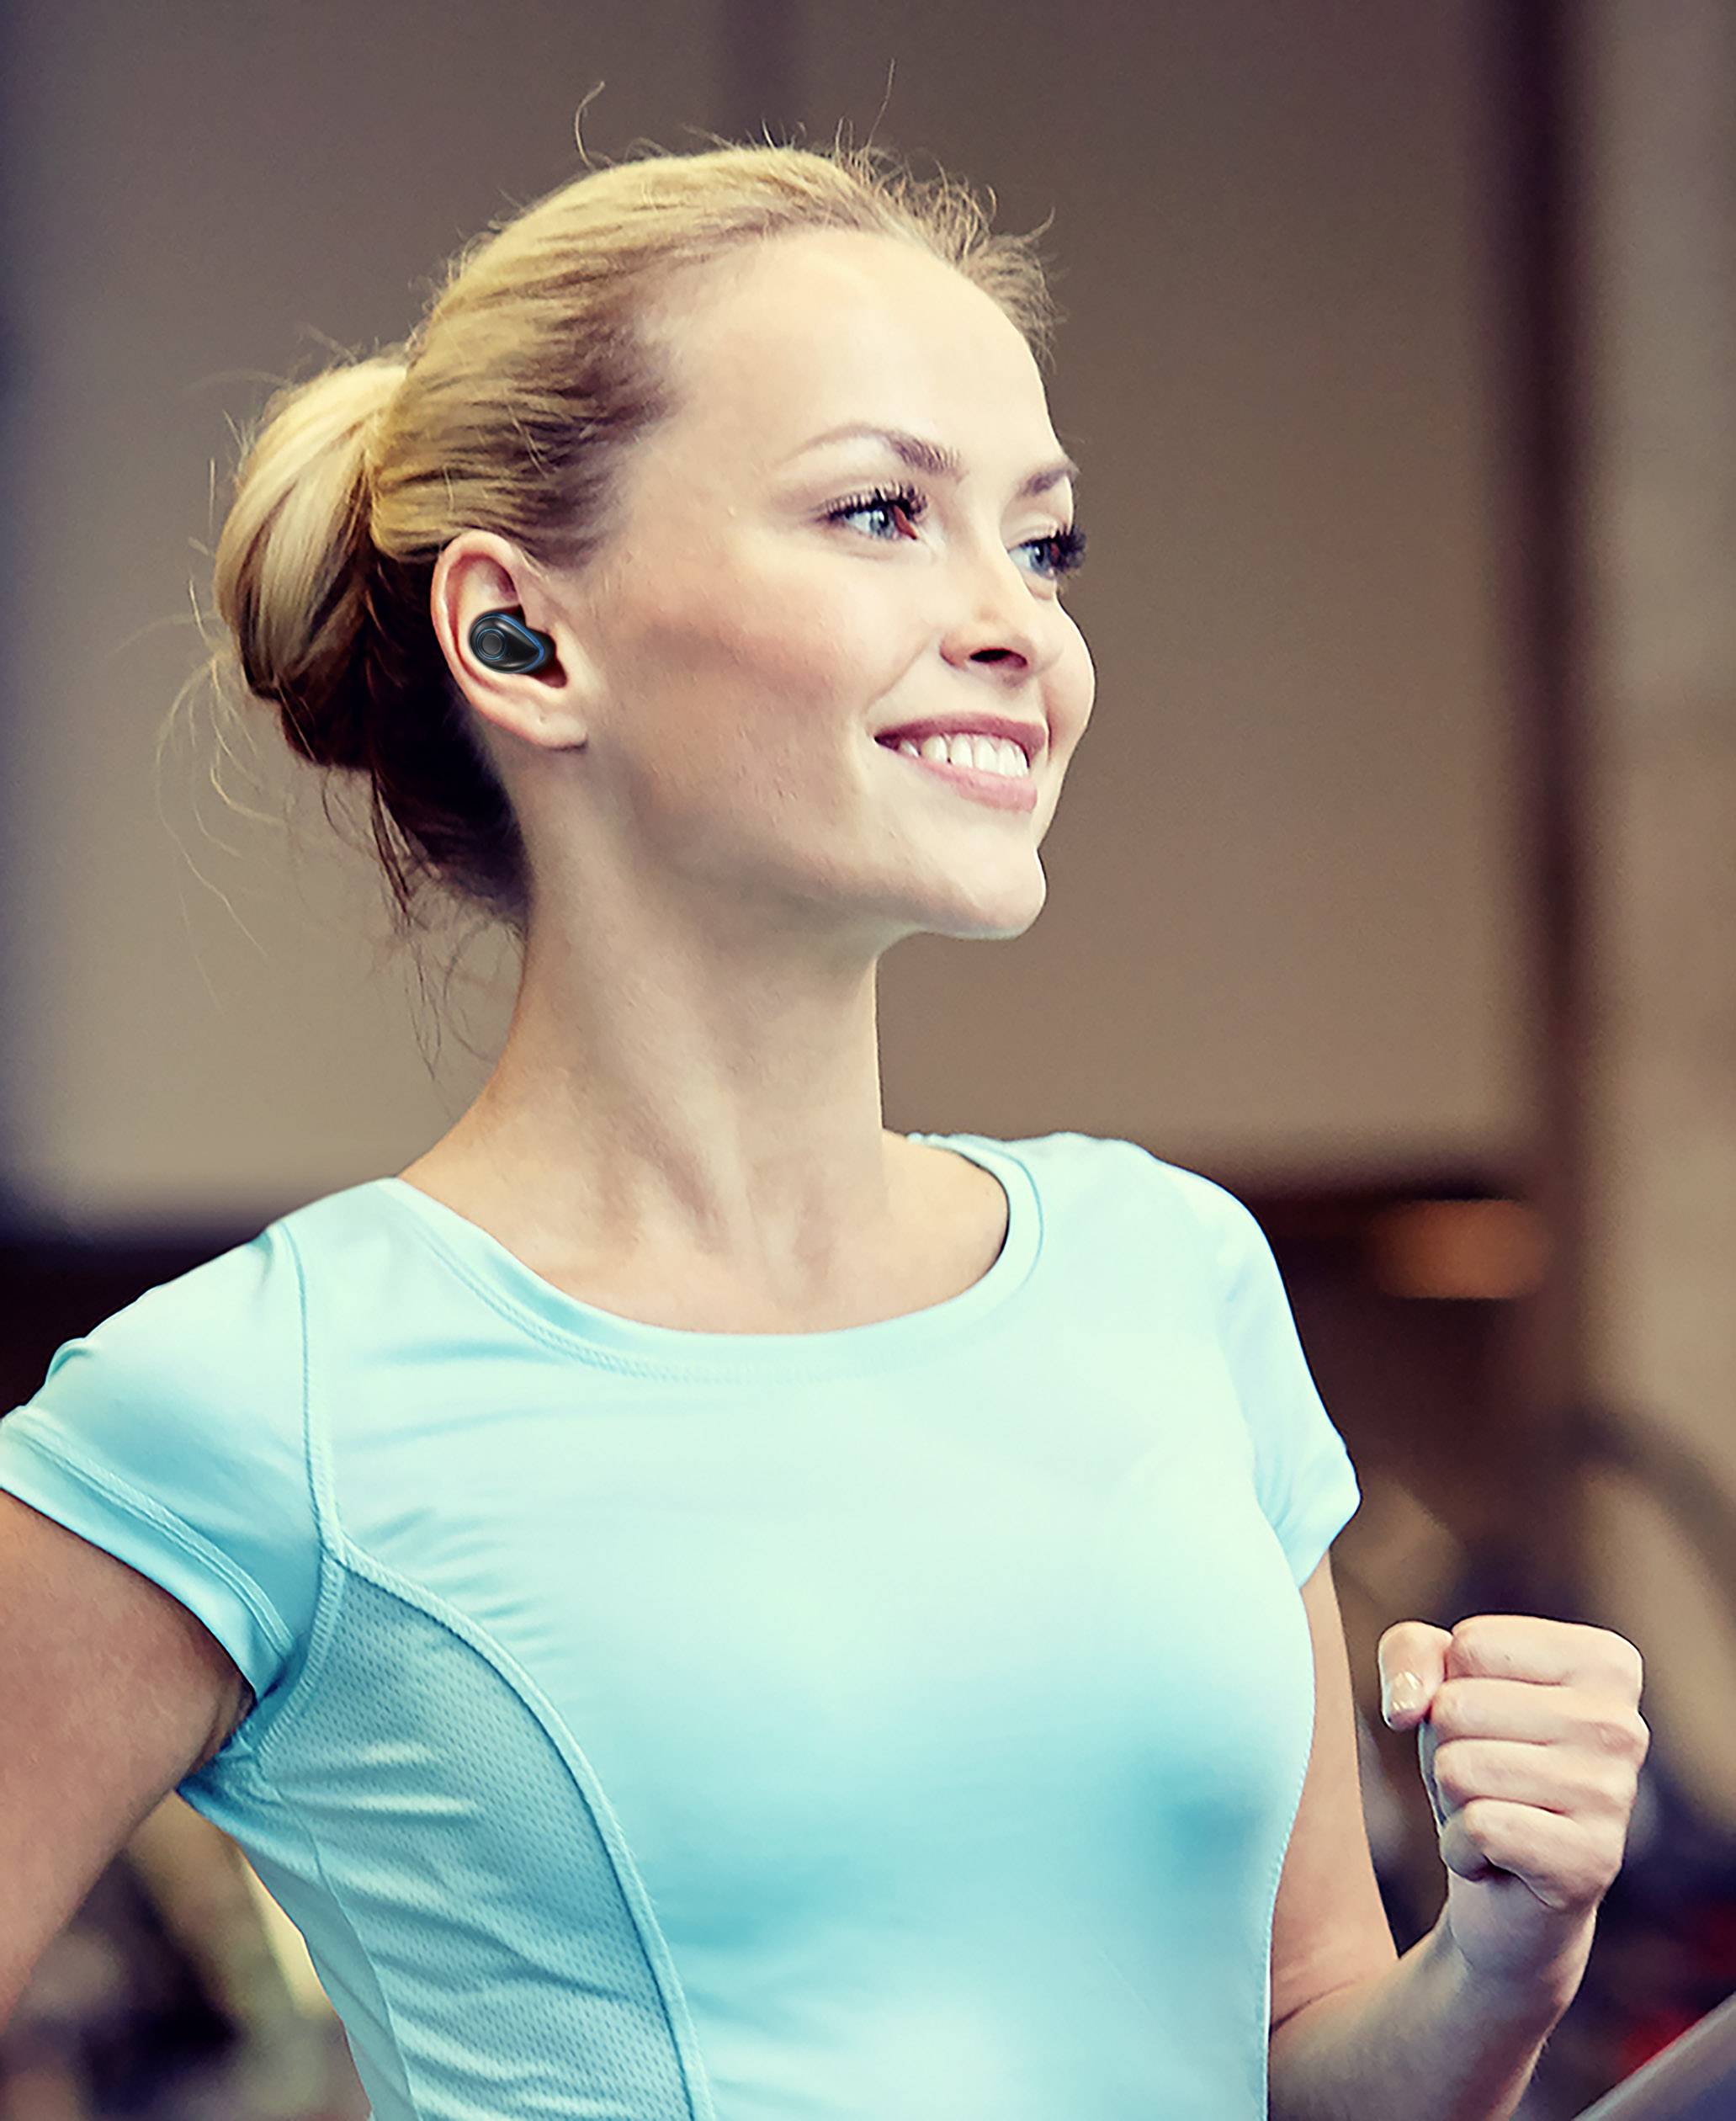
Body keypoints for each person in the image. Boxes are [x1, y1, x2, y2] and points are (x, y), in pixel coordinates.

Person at [0, 135, 1648, 2121]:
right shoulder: (254, 1407)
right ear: (525, 638)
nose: (1016, 624)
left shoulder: (1168, 1277)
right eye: (881, 512)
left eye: (1042, 543)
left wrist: (1502, 1956)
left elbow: (1303, 2064)